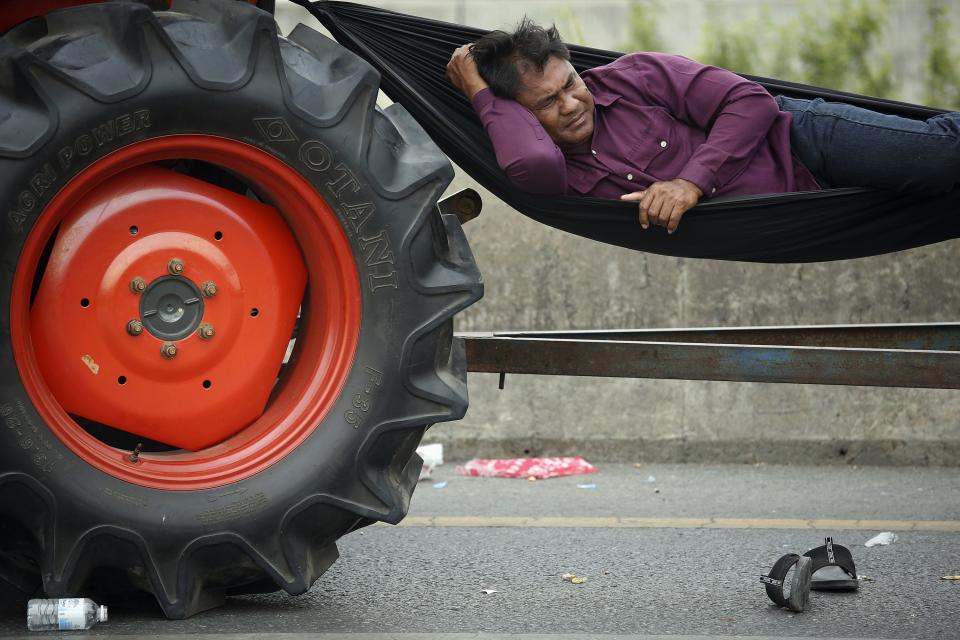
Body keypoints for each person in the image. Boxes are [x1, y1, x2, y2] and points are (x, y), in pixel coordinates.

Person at [445, 18, 960, 233]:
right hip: (804, 215)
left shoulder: (637, 75)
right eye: (547, 104)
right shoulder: (556, 173)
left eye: (571, 84)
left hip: (806, 143)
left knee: (944, 158)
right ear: (516, 113)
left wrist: (691, 182)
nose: (573, 104)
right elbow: (529, 160)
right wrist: (478, 91)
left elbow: (751, 102)